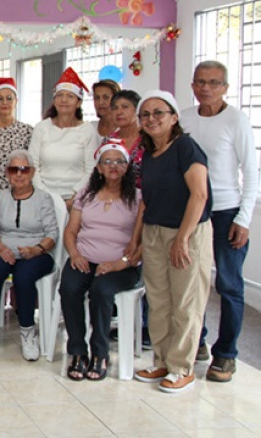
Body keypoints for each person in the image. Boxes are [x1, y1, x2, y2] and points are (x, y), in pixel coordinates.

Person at [181, 61, 259, 382]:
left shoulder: (236, 120)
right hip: (192, 211)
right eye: (200, 82)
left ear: (225, 87)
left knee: (228, 285)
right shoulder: (184, 118)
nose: (206, 88)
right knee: (191, 281)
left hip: (227, 210)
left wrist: (244, 218)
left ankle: (225, 354)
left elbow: (251, 172)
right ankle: (197, 341)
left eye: (214, 83)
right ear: (193, 85)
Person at [132, 91, 213, 393]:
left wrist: (182, 238)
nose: (151, 119)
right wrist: (138, 238)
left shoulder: (186, 148)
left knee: (186, 301)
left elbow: (200, 194)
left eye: (159, 113)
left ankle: (182, 367)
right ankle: (162, 360)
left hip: (186, 233)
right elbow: (146, 200)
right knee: (159, 300)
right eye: (146, 114)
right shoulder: (149, 154)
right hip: (155, 232)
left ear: (174, 117)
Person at [59, 141, 142, 381]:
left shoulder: (137, 198)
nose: (113, 166)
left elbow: (143, 241)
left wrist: (122, 263)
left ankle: (100, 353)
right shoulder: (86, 195)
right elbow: (70, 231)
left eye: (119, 161)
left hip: (123, 266)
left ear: (127, 167)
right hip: (86, 258)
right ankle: (77, 351)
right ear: (98, 167)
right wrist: (75, 254)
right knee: (69, 288)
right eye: (107, 161)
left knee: (101, 291)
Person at [0, 150, 58, 360]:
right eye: (14, 169)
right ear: (7, 173)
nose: (19, 174)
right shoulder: (2, 197)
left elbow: (52, 234)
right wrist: (0, 247)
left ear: (32, 172)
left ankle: (28, 332)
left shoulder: (43, 199)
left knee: (23, 277)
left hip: (38, 252)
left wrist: (36, 249)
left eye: (24, 169)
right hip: (5, 248)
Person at [29, 67, 100, 207]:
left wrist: (75, 196)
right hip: (43, 198)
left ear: (79, 103)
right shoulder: (41, 128)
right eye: (60, 95)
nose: (64, 100)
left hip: (77, 199)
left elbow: (92, 169)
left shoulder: (88, 131)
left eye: (70, 96)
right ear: (54, 99)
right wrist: (45, 194)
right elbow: (33, 164)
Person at [0, 78, 33, 246]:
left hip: (19, 192)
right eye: (0, 98)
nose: (5, 102)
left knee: (18, 235)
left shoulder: (27, 131)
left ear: (16, 101)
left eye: (9, 98)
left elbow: (32, 165)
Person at [108, 90, 143, 187]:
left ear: (137, 110)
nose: (119, 112)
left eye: (125, 107)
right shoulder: (108, 141)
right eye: (115, 108)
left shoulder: (149, 139)